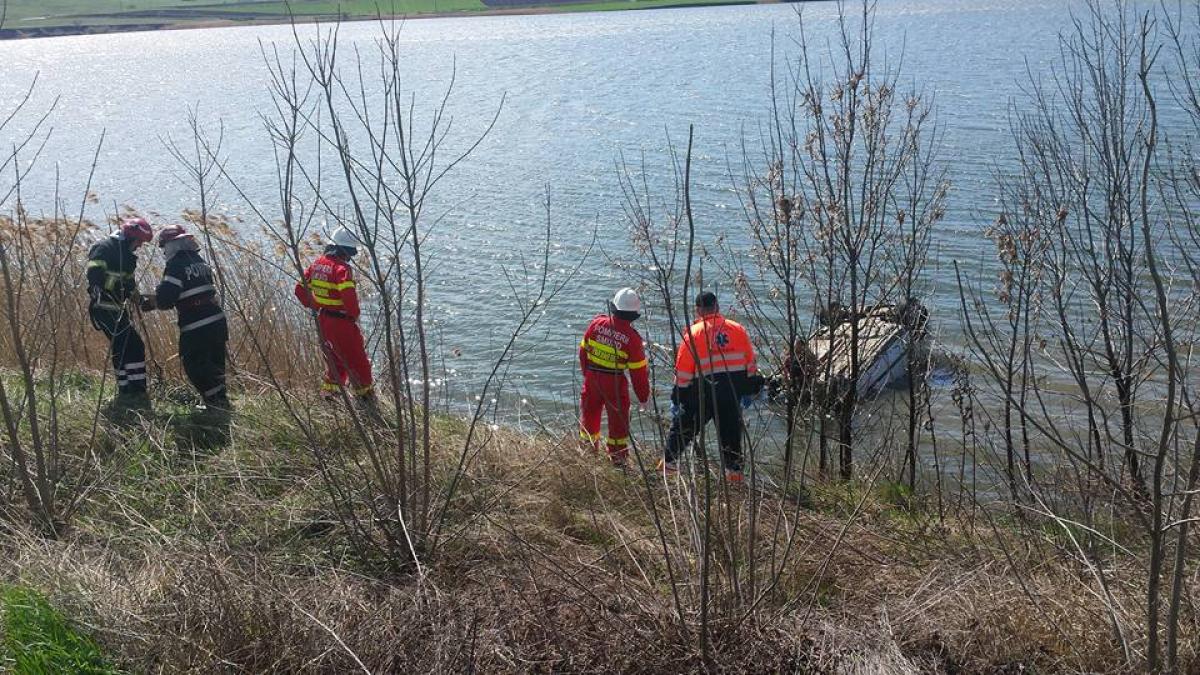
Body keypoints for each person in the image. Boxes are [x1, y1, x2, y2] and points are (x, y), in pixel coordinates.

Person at [660, 291, 759, 482]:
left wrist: (677, 397)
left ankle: (668, 471)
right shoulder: (738, 329)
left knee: (682, 432)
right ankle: (735, 481)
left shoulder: (694, 334)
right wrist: (748, 389)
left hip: (702, 393)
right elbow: (750, 362)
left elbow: (683, 372)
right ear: (717, 307)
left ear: (698, 310)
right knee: (731, 441)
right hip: (731, 392)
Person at [140, 225, 229, 410]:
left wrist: (151, 302)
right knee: (215, 363)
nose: (164, 252)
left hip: (197, 325)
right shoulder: (199, 261)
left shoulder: (175, 265)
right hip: (217, 321)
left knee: (194, 365)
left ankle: (214, 406)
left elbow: (166, 299)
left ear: (171, 245)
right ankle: (221, 402)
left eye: (164, 247)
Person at [295, 226, 376, 408]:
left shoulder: (317, 264)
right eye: (350, 254)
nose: (350, 258)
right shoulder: (342, 269)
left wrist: (315, 304)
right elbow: (349, 298)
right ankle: (367, 402)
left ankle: (330, 400)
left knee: (335, 361)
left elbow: (299, 289)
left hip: (324, 320)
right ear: (345, 251)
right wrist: (354, 315)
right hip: (342, 323)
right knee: (358, 361)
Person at [577, 288, 651, 466]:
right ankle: (618, 461)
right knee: (618, 425)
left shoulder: (596, 324)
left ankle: (587, 457)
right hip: (615, 384)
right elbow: (638, 374)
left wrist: (587, 375)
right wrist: (643, 398)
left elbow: (583, 352)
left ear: (614, 307)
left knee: (589, 418)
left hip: (593, 378)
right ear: (634, 315)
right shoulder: (633, 339)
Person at [86, 217, 153, 408]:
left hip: (118, 310)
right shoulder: (104, 248)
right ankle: (136, 391)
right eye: (139, 241)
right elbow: (94, 276)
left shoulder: (128, 258)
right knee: (134, 345)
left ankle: (127, 391)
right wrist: (101, 290)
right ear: (130, 237)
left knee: (122, 347)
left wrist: (140, 301)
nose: (140, 246)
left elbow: (129, 285)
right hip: (104, 309)